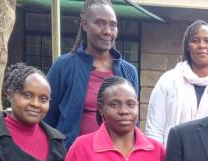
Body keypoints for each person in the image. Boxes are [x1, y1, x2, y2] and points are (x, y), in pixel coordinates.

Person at [45, 0, 139, 148]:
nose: (107, 31)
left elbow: (133, 121)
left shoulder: (129, 71)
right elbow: (46, 119)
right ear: (84, 24)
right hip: (71, 158)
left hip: (117, 158)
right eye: (100, 23)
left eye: (113, 25)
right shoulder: (64, 66)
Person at [145, 20, 208, 145]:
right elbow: (154, 131)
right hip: (173, 158)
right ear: (187, 46)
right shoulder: (168, 80)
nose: (202, 45)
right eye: (195, 40)